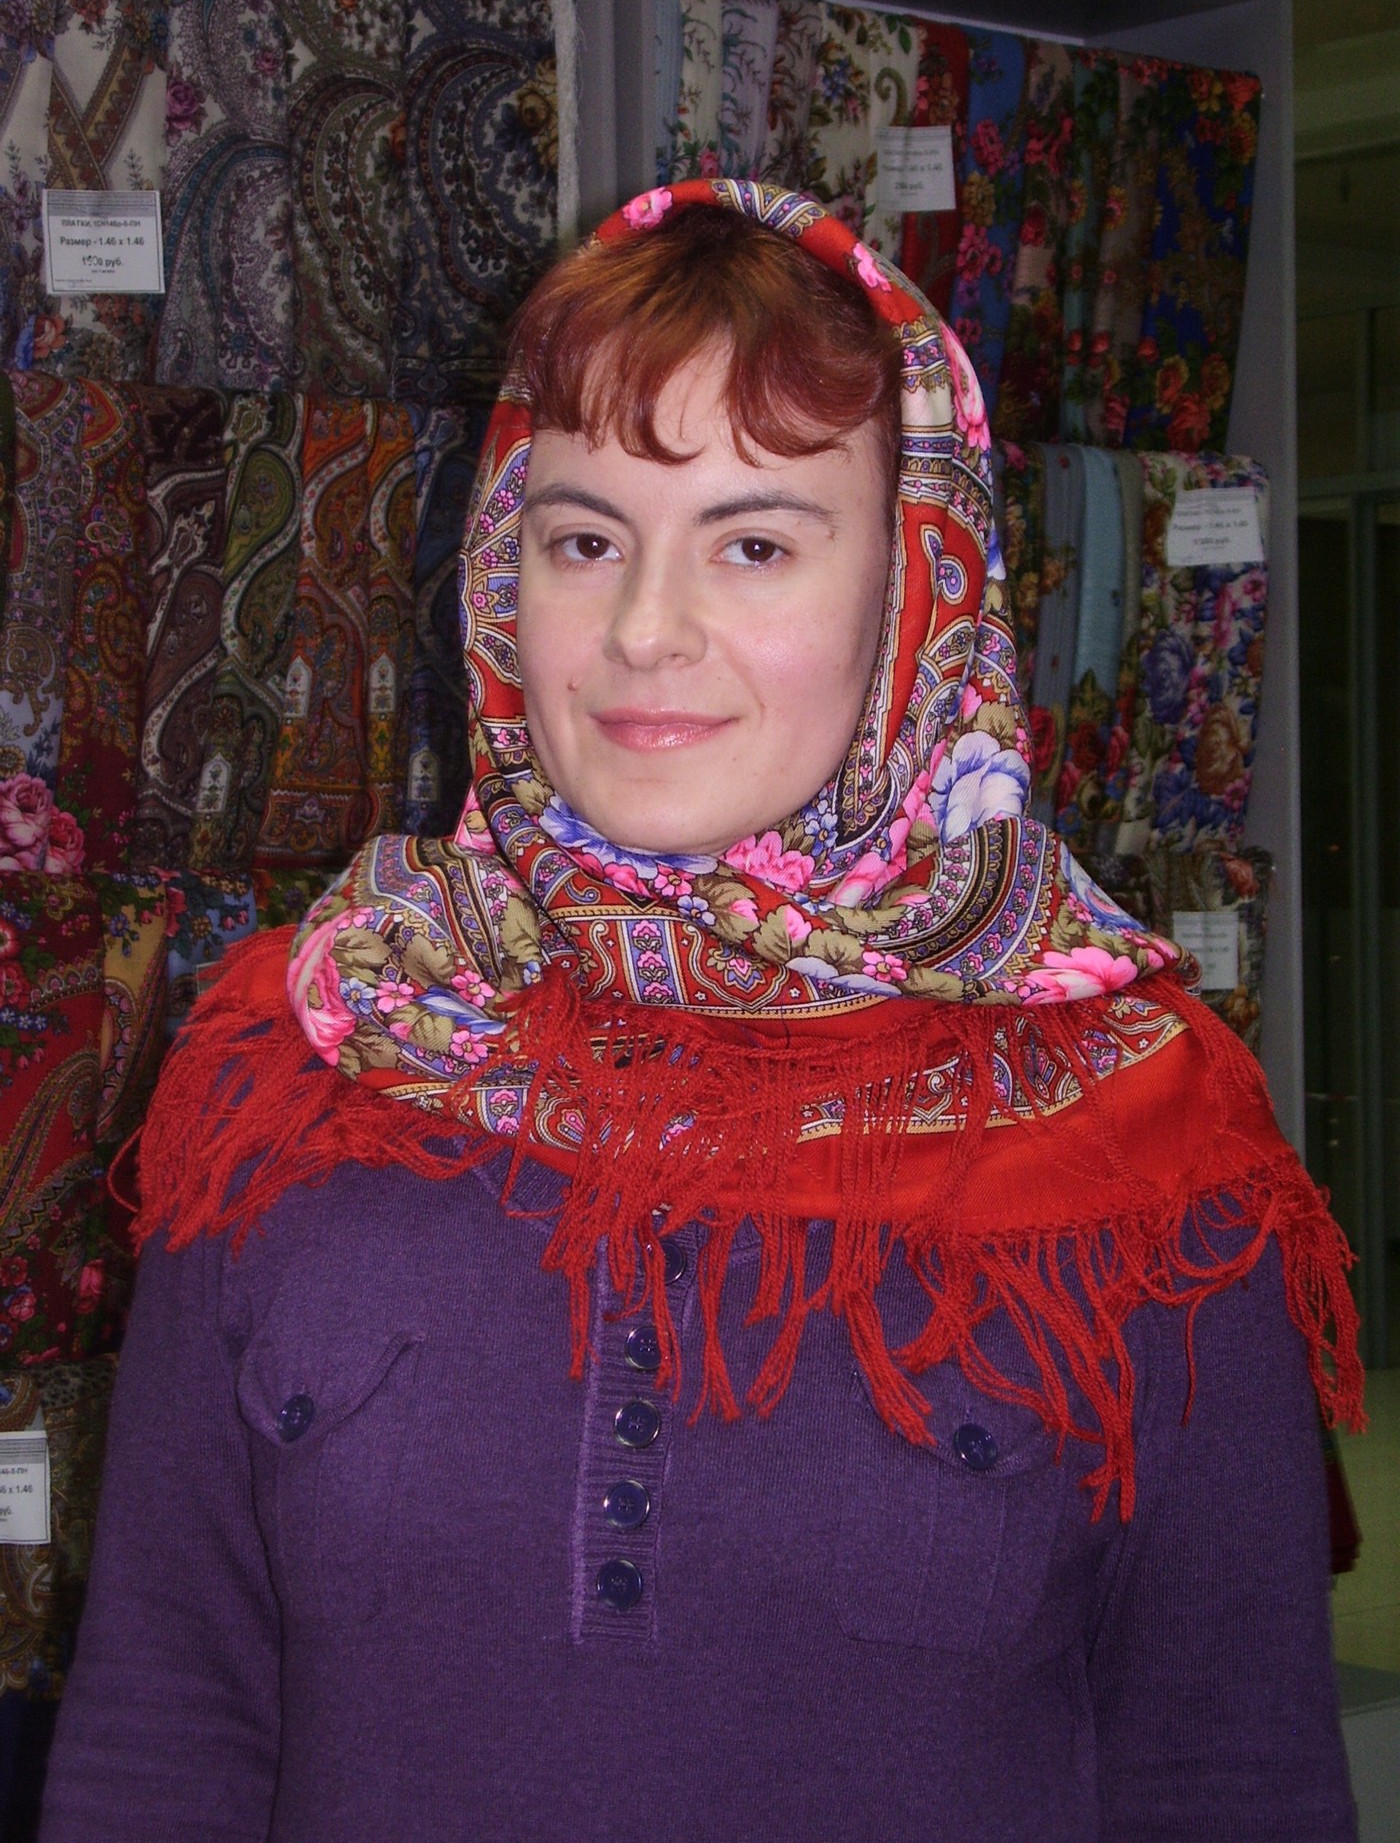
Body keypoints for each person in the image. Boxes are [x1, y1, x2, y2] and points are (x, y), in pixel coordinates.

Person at [41, 181, 1363, 1843]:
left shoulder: (1142, 1131)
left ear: (916, 589)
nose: (644, 632)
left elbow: (1228, 1774)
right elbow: (167, 1731)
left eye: (753, 544)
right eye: (585, 540)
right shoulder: (306, 1053)